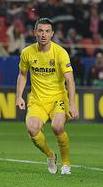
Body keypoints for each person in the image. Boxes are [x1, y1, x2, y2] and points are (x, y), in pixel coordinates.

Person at [16, 18, 79, 175]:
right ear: (35, 32)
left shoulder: (60, 53)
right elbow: (22, 75)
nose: (43, 34)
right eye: (40, 31)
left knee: (57, 126)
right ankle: (50, 155)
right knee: (32, 129)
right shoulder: (27, 53)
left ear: (52, 34)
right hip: (37, 100)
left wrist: (72, 104)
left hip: (58, 99)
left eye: (47, 31)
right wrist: (19, 96)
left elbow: (70, 80)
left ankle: (66, 164)